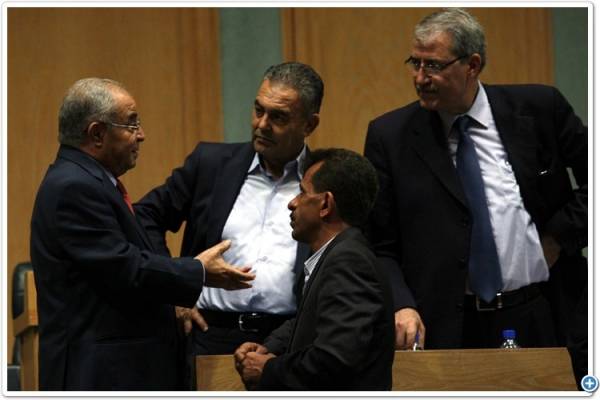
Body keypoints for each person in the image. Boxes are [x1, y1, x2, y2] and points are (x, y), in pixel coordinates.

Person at [364, 8, 587, 353]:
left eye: (433, 65)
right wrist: (401, 304)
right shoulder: (390, 136)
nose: (420, 78)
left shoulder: (540, 108)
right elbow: (379, 242)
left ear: (472, 65)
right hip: (447, 326)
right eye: (415, 63)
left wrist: (559, 235)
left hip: (542, 311)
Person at [30, 78, 255, 390]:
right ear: (97, 134)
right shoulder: (74, 187)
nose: (141, 135)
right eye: (131, 124)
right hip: (97, 376)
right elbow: (125, 267)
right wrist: (199, 271)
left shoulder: (88, 181)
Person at [134, 62, 323, 356]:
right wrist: (174, 287)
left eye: (278, 117)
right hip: (210, 334)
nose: (262, 124)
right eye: (258, 110)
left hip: (288, 341)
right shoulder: (211, 164)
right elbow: (145, 215)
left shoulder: (322, 182)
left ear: (309, 125)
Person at [234, 148, 395, 390]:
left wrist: (268, 369)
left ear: (325, 204)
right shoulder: (337, 256)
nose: (292, 203)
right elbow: (312, 320)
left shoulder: (348, 261)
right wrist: (269, 348)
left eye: (302, 192)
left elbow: (334, 359)